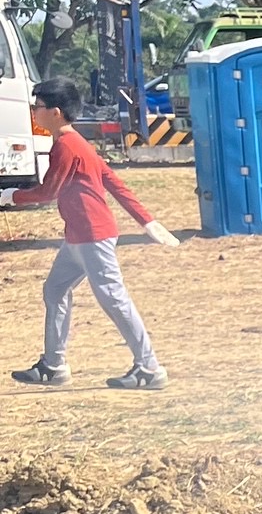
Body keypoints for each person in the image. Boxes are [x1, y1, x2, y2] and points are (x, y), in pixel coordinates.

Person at [9, 78, 177, 390]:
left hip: (92, 236)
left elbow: (48, 192)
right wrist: (146, 221)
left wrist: (11, 196)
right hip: (78, 236)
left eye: (37, 106)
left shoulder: (67, 146)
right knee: (55, 290)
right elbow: (112, 180)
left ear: (56, 112)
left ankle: (149, 368)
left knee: (113, 299)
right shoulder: (76, 143)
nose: (33, 111)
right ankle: (53, 365)